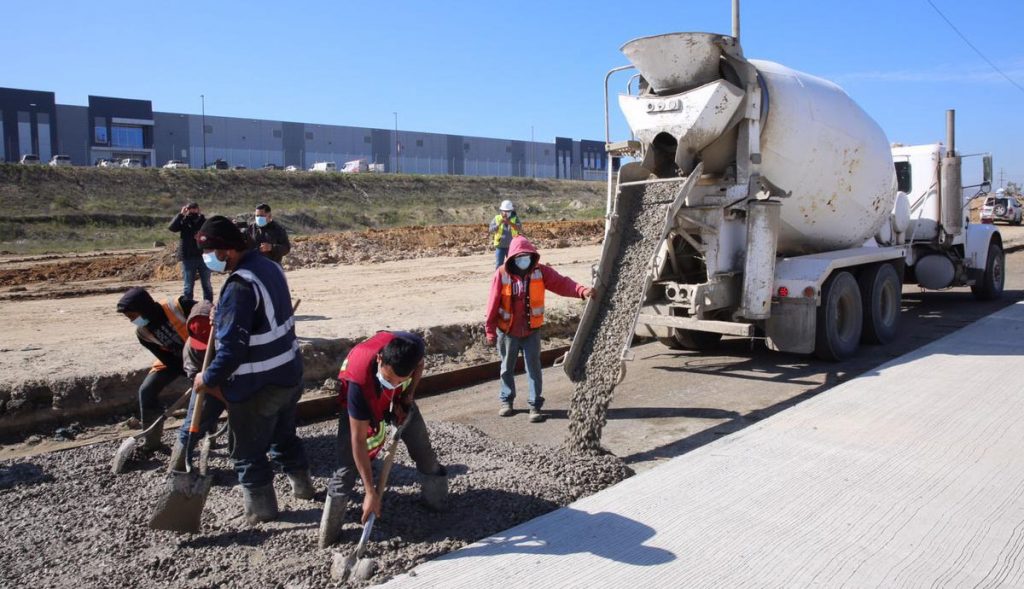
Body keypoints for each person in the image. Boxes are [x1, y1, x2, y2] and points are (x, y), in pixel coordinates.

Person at [193, 215, 313, 524]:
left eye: (212, 253)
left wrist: (207, 378)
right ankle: (303, 487)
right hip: (290, 373)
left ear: (228, 251)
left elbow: (232, 351)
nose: (209, 260)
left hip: (259, 384)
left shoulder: (240, 286)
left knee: (246, 451)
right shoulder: (269, 266)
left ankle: (261, 510)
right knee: (283, 437)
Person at [318, 330, 448, 548]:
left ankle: (438, 503)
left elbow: (420, 364)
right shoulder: (358, 380)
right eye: (389, 379)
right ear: (380, 359)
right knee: (346, 469)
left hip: (399, 401)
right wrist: (370, 492)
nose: (393, 383)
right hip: (360, 398)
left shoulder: (413, 346)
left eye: (400, 381)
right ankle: (328, 536)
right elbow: (358, 440)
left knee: (423, 451)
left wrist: (407, 395)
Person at [484, 236, 592, 423]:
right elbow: (492, 304)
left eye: (526, 256)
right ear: (512, 258)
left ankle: (535, 406)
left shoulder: (540, 272)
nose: (523, 259)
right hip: (508, 331)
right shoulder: (501, 274)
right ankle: (506, 401)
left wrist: (581, 291)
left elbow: (562, 283)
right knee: (506, 368)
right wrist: (490, 330)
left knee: (534, 369)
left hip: (531, 331)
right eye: (519, 257)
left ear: (532, 257)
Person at [116, 287, 196, 450]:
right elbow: (168, 360)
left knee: (207, 394)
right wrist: (191, 375)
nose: (132, 321)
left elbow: (209, 316)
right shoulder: (143, 333)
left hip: (202, 354)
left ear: (144, 308)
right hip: (175, 360)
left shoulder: (179, 306)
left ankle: (212, 435)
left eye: (133, 316)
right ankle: (152, 443)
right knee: (146, 391)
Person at [168, 300, 227, 472]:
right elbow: (196, 378)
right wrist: (224, 397)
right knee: (192, 424)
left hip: (234, 380)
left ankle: (243, 454)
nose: (202, 348)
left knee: (245, 420)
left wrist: (234, 400)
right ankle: (177, 466)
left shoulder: (230, 338)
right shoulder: (190, 348)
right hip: (207, 385)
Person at [168, 202, 213, 302]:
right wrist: (180, 215)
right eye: (189, 208)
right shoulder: (183, 221)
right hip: (188, 257)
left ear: (198, 209)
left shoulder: (204, 222)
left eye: (194, 208)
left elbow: (211, 235)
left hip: (203, 257)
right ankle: (188, 306)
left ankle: (208, 304)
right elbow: (171, 228)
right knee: (188, 286)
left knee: (207, 284)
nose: (192, 210)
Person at [488, 199, 524, 268]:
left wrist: (509, 223)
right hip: (500, 246)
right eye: (504, 211)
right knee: (499, 265)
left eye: (508, 211)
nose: (506, 213)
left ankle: (513, 278)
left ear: (511, 211)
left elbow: (519, 228)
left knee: (513, 265)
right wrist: (499, 224)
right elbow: (491, 229)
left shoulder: (515, 218)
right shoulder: (497, 218)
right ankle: (499, 278)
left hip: (512, 246)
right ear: (501, 210)